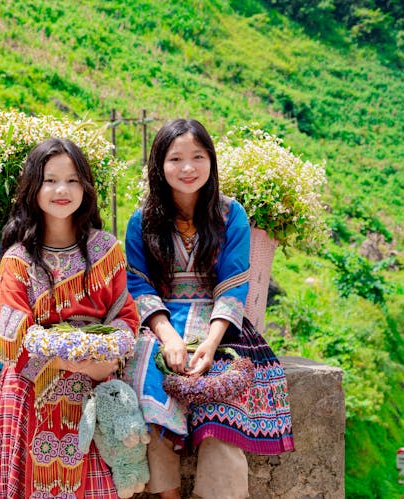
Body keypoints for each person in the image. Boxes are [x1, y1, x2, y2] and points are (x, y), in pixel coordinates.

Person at [125, 119, 295, 499]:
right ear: (159, 166)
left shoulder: (231, 214)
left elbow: (234, 283)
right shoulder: (142, 222)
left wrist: (211, 342)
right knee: (149, 396)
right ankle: (167, 495)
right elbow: (138, 285)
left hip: (221, 324)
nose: (188, 168)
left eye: (198, 157)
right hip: (160, 324)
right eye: (176, 158)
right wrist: (167, 337)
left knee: (224, 405)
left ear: (211, 162)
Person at [0, 138, 140, 498]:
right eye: (50, 180)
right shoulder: (19, 259)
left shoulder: (106, 250)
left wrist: (107, 355)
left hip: (94, 386)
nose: (62, 190)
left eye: (73, 180)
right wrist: (77, 363)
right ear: (32, 188)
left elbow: (126, 317)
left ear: (85, 188)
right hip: (32, 390)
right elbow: (14, 338)